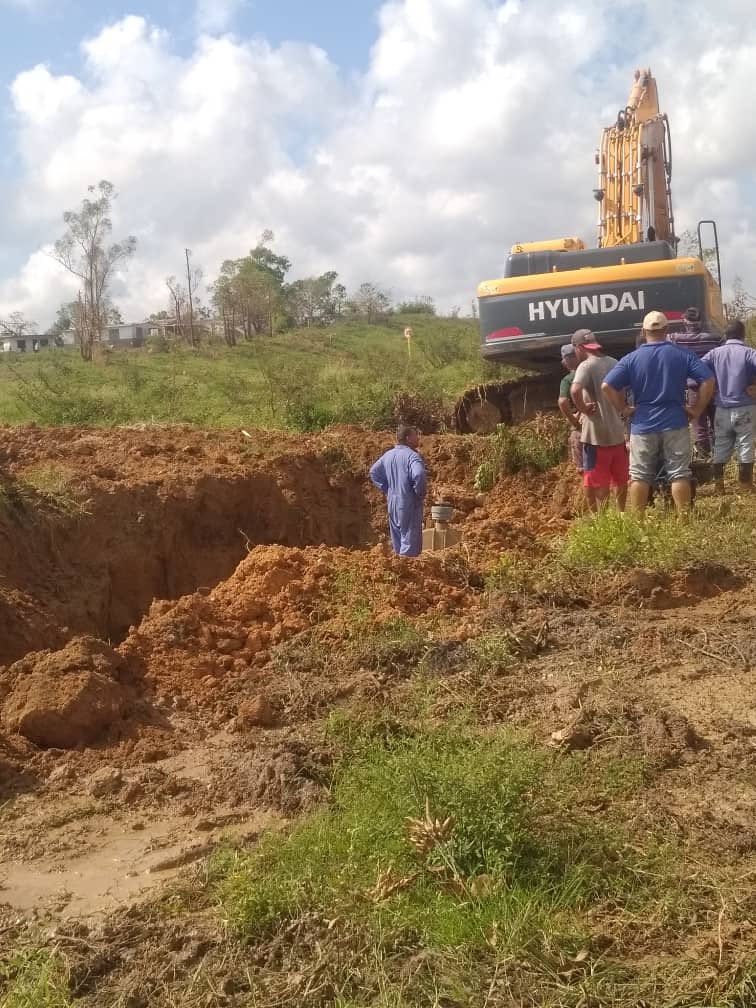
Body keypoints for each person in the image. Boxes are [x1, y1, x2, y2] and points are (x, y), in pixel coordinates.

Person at [602, 310, 715, 512]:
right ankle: (683, 520)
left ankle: (639, 522)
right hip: (675, 421)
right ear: (667, 330)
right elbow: (708, 380)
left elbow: (607, 386)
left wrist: (624, 409)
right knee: (679, 473)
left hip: (642, 423)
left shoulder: (631, 358)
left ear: (643, 332)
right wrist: (697, 409)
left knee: (639, 475)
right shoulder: (681, 354)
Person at [569, 330, 629, 510]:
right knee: (620, 478)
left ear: (579, 348)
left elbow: (574, 390)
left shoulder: (586, 366)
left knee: (597, 480)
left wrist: (582, 409)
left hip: (595, 435)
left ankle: (601, 520)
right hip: (617, 433)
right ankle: (621, 515)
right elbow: (623, 391)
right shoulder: (614, 362)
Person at [701, 319, 756, 491]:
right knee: (745, 444)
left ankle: (719, 486)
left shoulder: (714, 353)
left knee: (721, 445)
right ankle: (745, 485)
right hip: (745, 407)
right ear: (743, 334)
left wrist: (711, 385)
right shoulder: (749, 353)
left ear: (725, 335)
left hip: (721, 408)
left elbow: (698, 368)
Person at [667, 307, 723, 458]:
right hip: (714, 386)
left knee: (699, 424)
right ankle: (721, 456)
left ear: (685, 322)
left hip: (694, 388)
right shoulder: (715, 339)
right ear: (701, 321)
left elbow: (663, 339)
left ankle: (704, 456)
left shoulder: (676, 339)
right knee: (717, 422)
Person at [369, 425, 427, 556]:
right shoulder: (412, 456)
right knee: (409, 545)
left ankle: (399, 572)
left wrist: (387, 489)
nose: (418, 438)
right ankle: (409, 573)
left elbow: (373, 472)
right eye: (415, 435)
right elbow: (419, 474)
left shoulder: (388, 455)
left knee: (398, 541)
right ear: (408, 438)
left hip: (393, 503)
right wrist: (419, 493)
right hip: (408, 503)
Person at [557, 344, 583, 474]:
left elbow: (562, 401)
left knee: (575, 437)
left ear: (565, 362)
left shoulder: (568, 380)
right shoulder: (595, 370)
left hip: (584, 422)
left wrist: (573, 420)